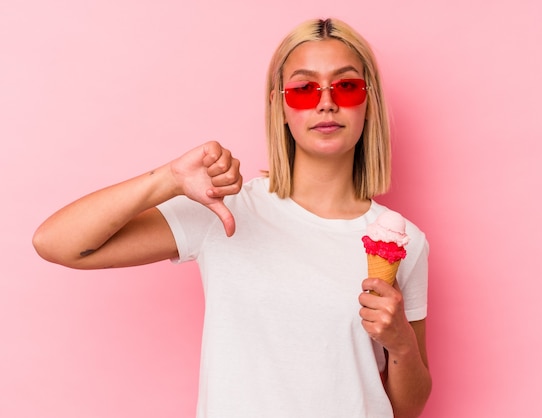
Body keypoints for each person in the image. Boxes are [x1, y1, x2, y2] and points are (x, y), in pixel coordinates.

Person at [33, 17, 432, 418]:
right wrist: (168, 180)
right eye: (303, 88)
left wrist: (400, 344)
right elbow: (56, 243)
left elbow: (408, 406)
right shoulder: (225, 209)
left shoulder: (402, 241)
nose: (325, 102)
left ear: (369, 101)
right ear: (279, 106)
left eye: (346, 86)